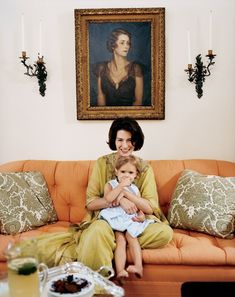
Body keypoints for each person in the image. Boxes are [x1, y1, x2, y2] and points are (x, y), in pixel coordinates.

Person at [16, 117, 173, 276]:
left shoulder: (144, 168)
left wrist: (125, 196)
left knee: (165, 233)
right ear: (114, 140)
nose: (124, 145)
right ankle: (99, 282)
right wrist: (118, 198)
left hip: (133, 222)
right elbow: (91, 203)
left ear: (136, 141)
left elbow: (151, 207)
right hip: (105, 220)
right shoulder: (102, 163)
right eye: (120, 140)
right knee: (97, 230)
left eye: (129, 140)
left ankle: (107, 243)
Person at [99, 155, 154, 281]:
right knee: (121, 240)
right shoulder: (111, 184)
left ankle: (138, 266)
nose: (126, 175)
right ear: (116, 171)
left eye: (130, 172)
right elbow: (108, 199)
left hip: (130, 218)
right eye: (123, 171)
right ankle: (120, 271)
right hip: (116, 219)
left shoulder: (134, 188)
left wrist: (141, 215)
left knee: (132, 238)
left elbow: (139, 205)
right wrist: (121, 187)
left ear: (135, 175)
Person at [93, 28, 144, 106]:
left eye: (128, 43)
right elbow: (101, 96)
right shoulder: (101, 68)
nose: (126, 46)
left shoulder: (135, 68)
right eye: (122, 43)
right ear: (113, 45)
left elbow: (138, 102)